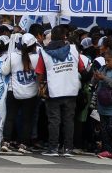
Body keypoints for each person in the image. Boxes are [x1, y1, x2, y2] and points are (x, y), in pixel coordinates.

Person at [36, 26, 88, 157]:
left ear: (51, 37)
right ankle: (68, 149)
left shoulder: (44, 52)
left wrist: (41, 86)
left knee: (54, 121)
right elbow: (82, 69)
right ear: (65, 37)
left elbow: (39, 73)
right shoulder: (74, 50)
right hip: (71, 90)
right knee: (68, 120)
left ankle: (53, 148)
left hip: (54, 91)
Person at [1, 32, 40, 152]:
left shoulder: (12, 56)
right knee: (27, 120)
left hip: (14, 91)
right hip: (31, 93)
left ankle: (6, 141)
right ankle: (23, 144)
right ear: (34, 46)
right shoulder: (38, 58)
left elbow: (4, 71)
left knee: (10, 118)